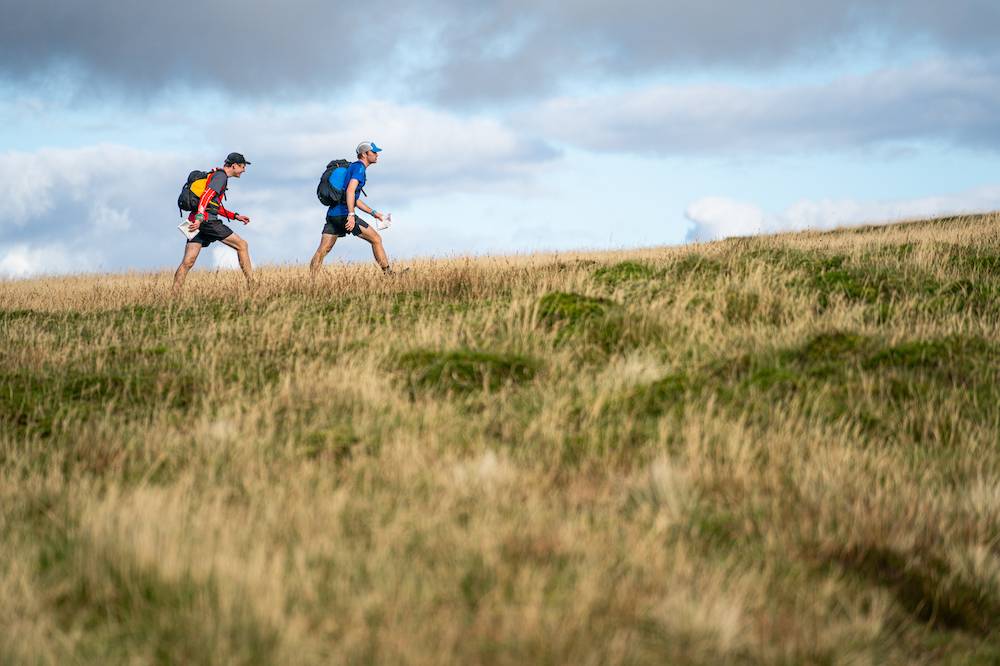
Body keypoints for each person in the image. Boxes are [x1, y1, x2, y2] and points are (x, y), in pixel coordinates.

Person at [310, 141, 398, 275]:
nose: (377, 155)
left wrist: (374, 213)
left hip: (333, 215)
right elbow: (350, 191)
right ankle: (389, 275)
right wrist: (351, 215)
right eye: (374, 152)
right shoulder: (359, 169)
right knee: (376, 239)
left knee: (322, 250)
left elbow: (354, 199)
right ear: (364, 154)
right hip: (345, 215)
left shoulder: (354, 167)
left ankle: (311, 280)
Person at [173, 152, 254, 294]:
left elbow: (213, 206)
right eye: (242, 167)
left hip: (195, 221)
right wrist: (200, 218)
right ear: (234, 166)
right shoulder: (221, 177)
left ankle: (174, 294)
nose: (244, 170)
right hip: (207, 222)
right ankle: (252, 285)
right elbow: (206, 197)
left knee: (188, 262)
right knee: (242, 245)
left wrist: (235, 216)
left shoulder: (215, 175)